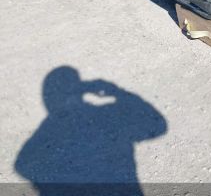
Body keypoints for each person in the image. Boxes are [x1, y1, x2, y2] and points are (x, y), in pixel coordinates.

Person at [15, 66, 167, 196]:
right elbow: (159, 126)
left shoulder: (48, 127)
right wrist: (118, 92)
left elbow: (22, 165)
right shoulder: (106, 115)